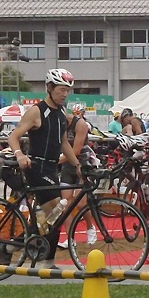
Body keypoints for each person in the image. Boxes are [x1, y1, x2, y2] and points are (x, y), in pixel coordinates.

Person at [8, 69, 82, 269]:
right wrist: (20, 155)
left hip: (51, 168)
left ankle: (15, 246)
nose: (65, 94)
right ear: (49, 87)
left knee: (52, 216)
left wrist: (77, 165)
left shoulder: (61, 113)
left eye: (68, 90)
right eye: (61, 90)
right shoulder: (37, 111)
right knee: (57, 211)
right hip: (35, 166)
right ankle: (46, 262)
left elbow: (64, 143)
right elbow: (13, 137)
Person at [57, 104, 97, 249]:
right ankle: (70, 238)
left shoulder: (80, 124)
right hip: (67, 166)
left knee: (81, 204)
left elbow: (76, 150)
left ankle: (90, 227)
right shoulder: (59, 125)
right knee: (65, 204)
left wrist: (56, 161)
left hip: (83, 164)